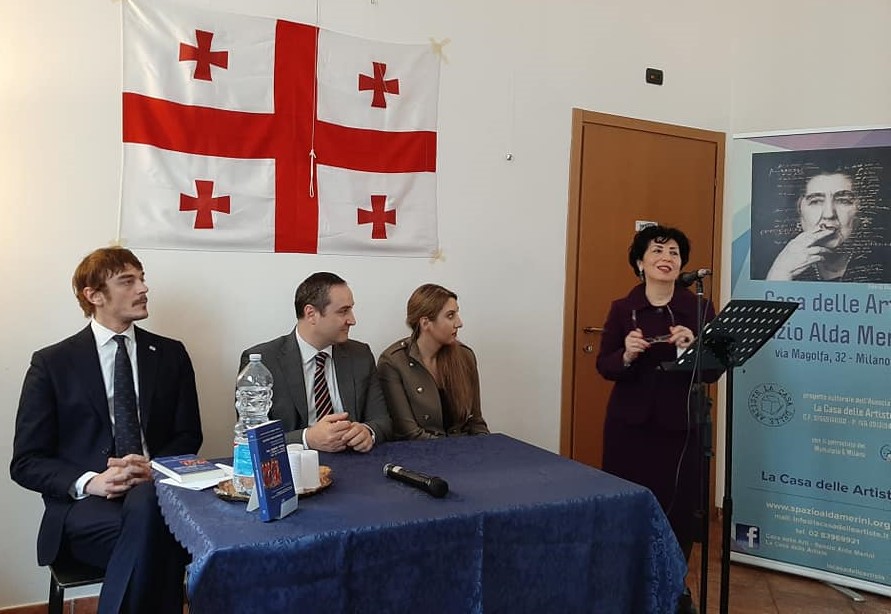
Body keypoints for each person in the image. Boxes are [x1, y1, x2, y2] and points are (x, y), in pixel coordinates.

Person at [10, 247, 202, 614]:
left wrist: (151, 469)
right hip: (85, 506)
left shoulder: (171, 354)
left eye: (142, 278)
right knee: (162, 539)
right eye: (128, 281)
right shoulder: (52, 363)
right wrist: (92, 482)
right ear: (94, 295)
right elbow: (26, 462)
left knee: (149, 514)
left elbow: (188, 434)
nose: (143, 288)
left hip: (155, 488)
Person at [596, 225, 718, 614]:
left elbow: (713, 370)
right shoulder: (622, 308)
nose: (667, 258)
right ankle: (628, 586)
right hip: (628, 428)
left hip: (680, 428)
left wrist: (691, 349)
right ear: (640, 262)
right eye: (657, 251)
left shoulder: (699, 309)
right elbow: (605, 365)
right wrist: (627, 355)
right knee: (629, 507)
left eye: (674, 253)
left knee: (679, 512)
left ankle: (674, 589)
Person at [240, 272, 391, 452]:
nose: (352, 320)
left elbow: (383, 421)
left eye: (351, 310)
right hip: (294, 464)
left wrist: (367, 431)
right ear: (311, 314)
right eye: (343, 311)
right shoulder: (263, 362)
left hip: (353, 460)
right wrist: (307, 438)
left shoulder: (360, 355)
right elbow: (251, 437)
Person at [378, 284, 489, 440]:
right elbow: (409, 433)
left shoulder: (465, 356)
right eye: (450, 316)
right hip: (422, 451)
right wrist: (455, 451)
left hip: (465, 448)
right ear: (425, 323)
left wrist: (484, 446)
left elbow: (476, 422)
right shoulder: (393, 362)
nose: (459, 323)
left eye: (457, 314)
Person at [766, 166, 863, 281]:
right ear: (799, 212)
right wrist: (780, 273)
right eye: (816, 201)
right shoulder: (773, 263)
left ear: (859, 212)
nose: (829, 214)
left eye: (843, 201)